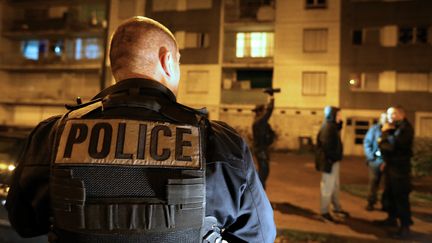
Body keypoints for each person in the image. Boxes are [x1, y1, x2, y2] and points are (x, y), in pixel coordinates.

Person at [6, 17, 276, 243]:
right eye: (179, 62)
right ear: (167, 61)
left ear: (116, 65)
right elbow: (260, 235)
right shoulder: (219, 141)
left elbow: (24, 223)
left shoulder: (53, 134)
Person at [376, 106, 414, 238]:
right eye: (388, 114)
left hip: (400, 171)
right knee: (390, 195)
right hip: (392, 168)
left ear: (400, 115)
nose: (389, 117)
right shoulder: (396, 128)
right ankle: (391, 219)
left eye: (391, 114)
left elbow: (391, 146)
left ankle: (405, 227)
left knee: (400, 197)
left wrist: (384, 135)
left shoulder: (405, 129)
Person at [315, 106, 349, 222]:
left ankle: (336, 207)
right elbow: (327, 146)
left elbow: (336, 133)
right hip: (329, 162)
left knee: (334, 186)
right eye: (339, 115)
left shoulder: (332, 126)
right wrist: (334, 157)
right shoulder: (328, 127)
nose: (340, 116)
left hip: (333, 161)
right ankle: (324, 212)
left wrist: (340, 123)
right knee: (327, 187)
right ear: (332, 115)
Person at [363, 112, 387, 211]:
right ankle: (371, 202)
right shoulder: (374, 129)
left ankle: (386, 204)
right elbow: (367, 143)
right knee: (373, 182)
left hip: (386, 161)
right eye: (384, 118)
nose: (385, 120)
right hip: (375, 161)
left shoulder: (392, 130)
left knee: (386, 184)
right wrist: (371, 157)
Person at [252, 95, 275, 189]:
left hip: (260, 150)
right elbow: (269, 112)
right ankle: (259, 192)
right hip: (261, 150)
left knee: (263, 171)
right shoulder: (259, 121)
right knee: (264, 172)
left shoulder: (259, 122)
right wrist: (272, 99)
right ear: (261, 112)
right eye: (263, 111)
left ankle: (260, 191)